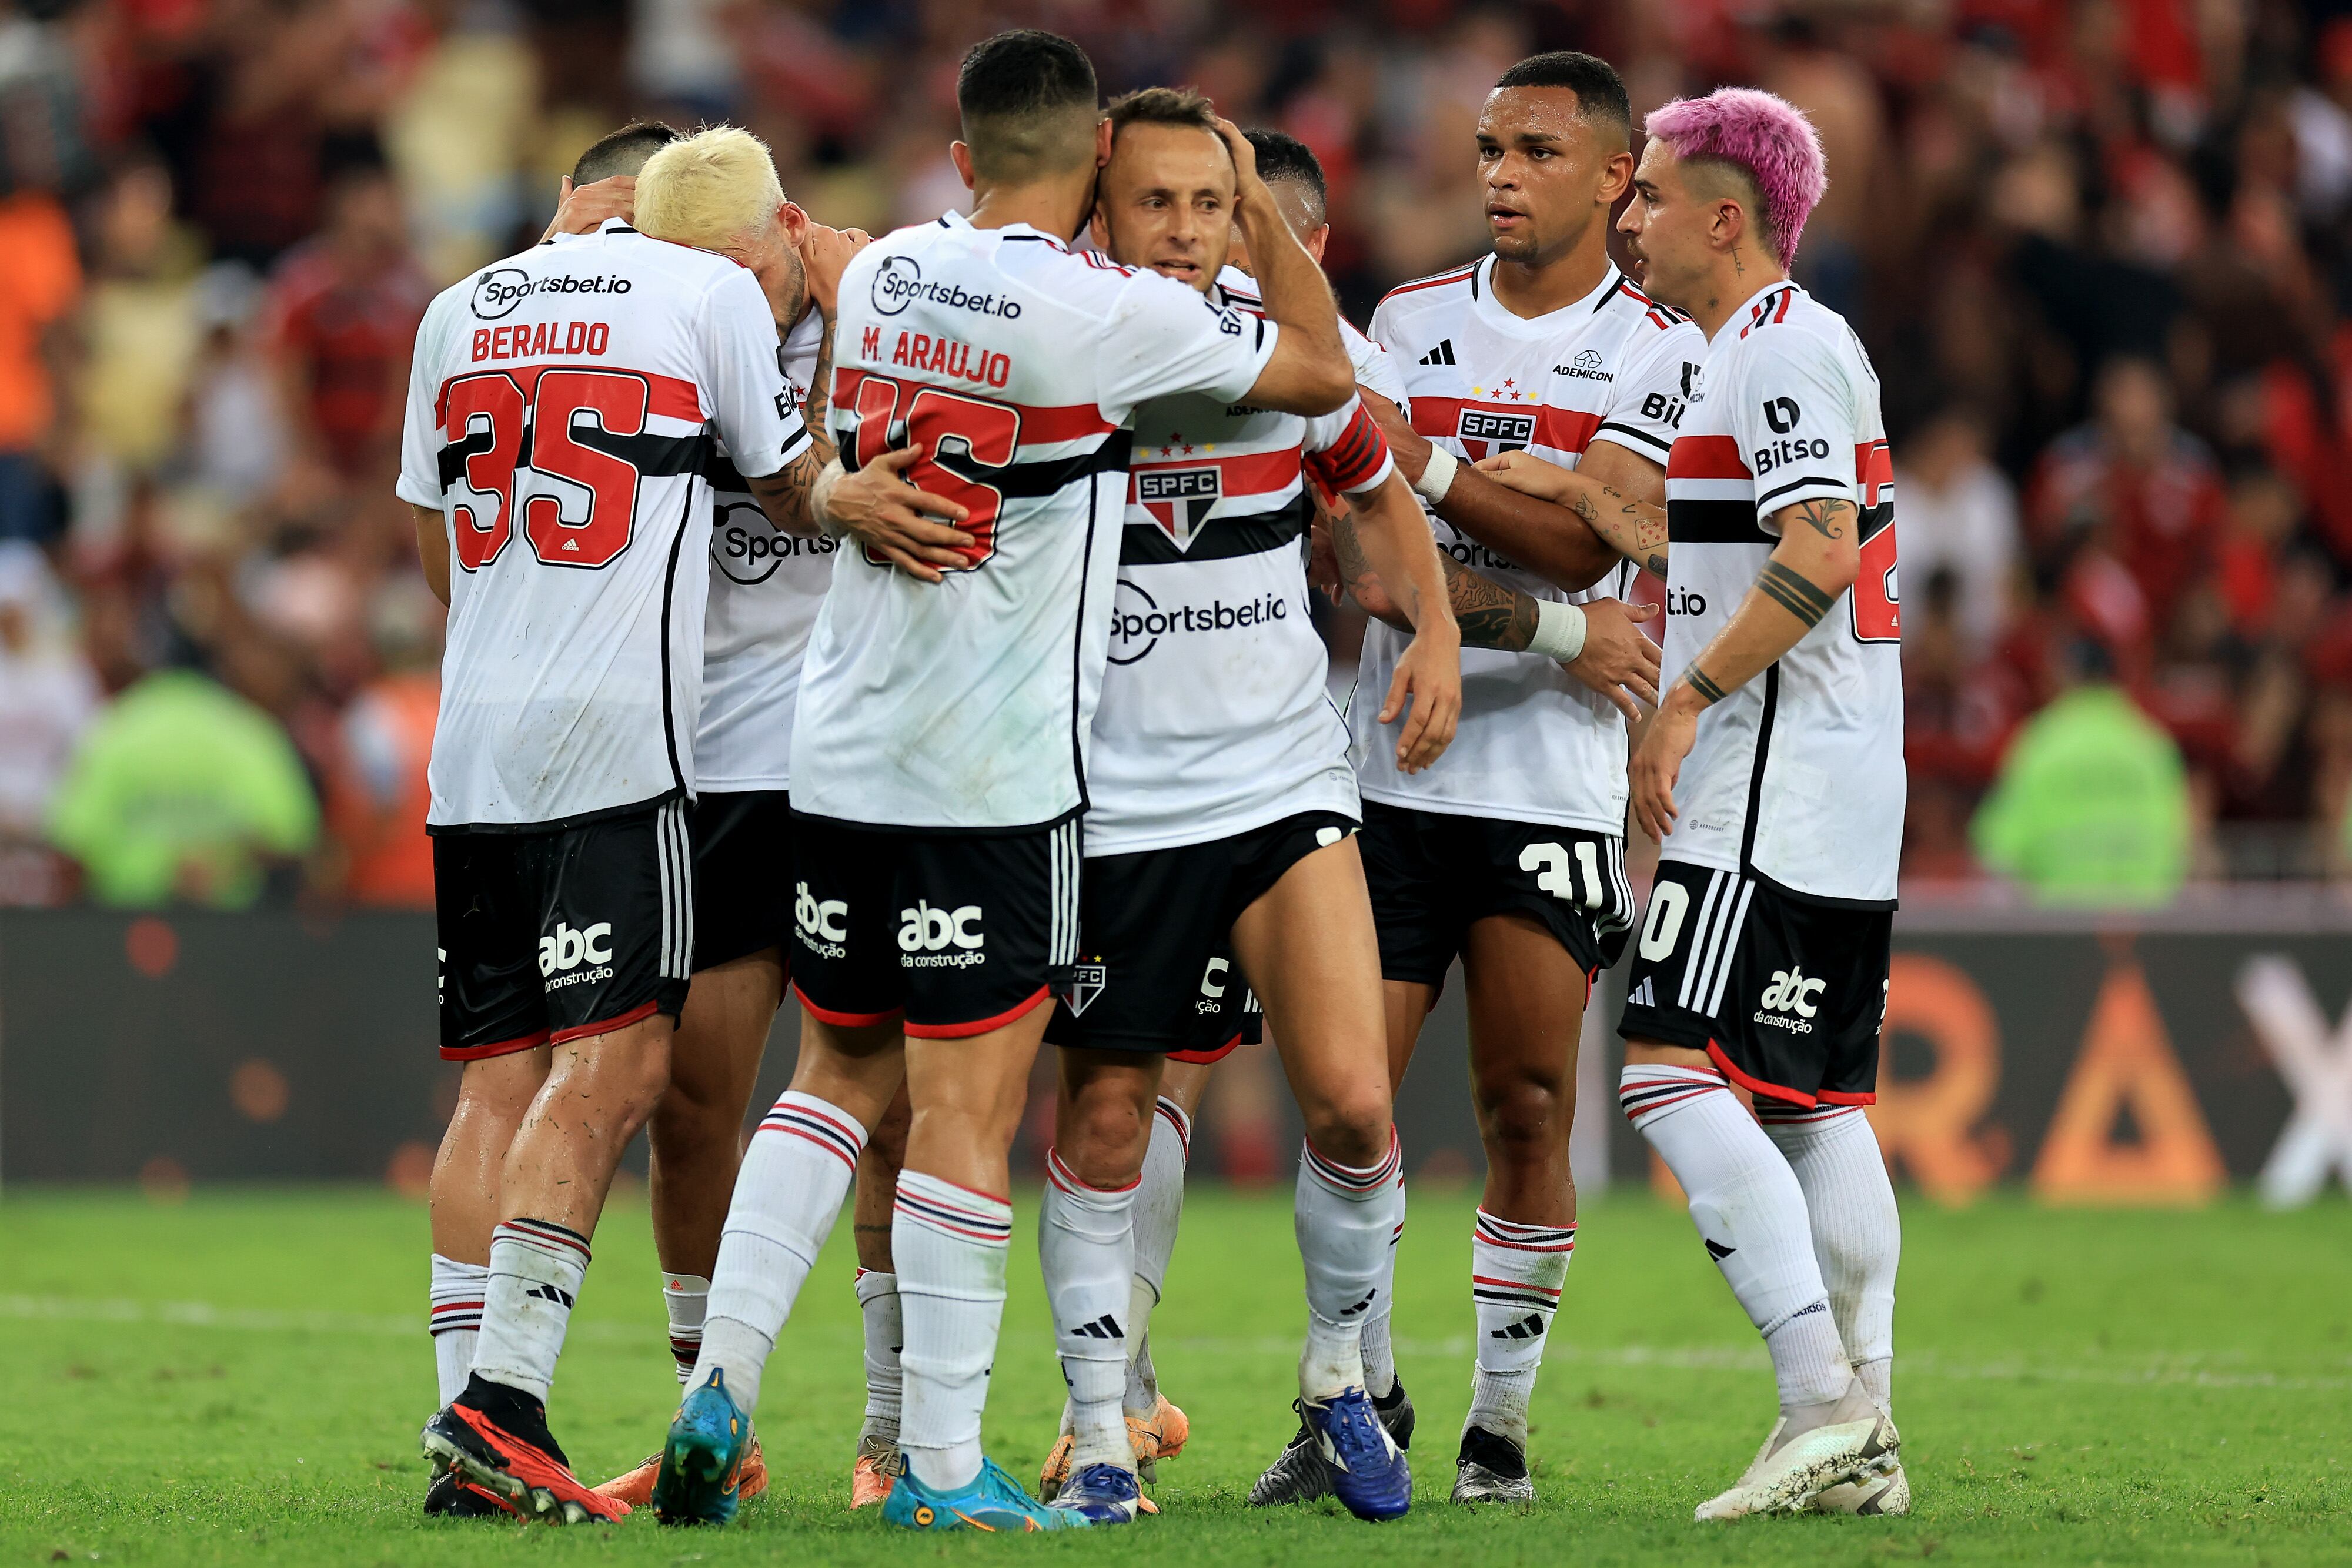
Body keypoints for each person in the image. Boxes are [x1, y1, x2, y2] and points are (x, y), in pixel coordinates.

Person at [646, 29, 1365, 1534]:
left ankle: (718, 1383)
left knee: (834, 1079)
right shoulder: (1104, 315)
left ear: (964, 157)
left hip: (838, 753)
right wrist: (1258, 206)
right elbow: (1312, 375)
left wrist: (839, 487)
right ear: (1102, 161)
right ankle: (944, 1469)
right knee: (965, 1112)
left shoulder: (898, 265)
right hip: (992, 773)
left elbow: (831, 399)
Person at [402, 121, 943, 1525]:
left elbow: (438, 550)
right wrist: (838, 485)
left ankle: (889, 1426)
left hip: (832, 745)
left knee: (873, 1085)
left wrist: (859, 274)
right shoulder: (697, 301)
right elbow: (789, 484)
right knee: (680, 1092)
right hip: (668, 759)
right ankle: (699, 1410)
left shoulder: (481, 310)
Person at [987, 88, 1461, 1525]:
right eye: (1158, 202)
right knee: (1110, 1119)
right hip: (1111, 794)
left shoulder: (1273, 336)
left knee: (1357, 1106)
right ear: (1099, 207)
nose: (1186, 231)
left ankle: (1332, 1388)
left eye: (1211, 202)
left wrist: (1433, 627)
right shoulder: (1053, 335)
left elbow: (1373, 485)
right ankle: (1099, 1433)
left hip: (1276, 776)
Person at [1257, 52, 1701, 1509]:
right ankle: (1352, 1393)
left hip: (1550, 791)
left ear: (1612, 180)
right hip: (1389, 776)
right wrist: (1539, 602)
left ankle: (1497, 1426)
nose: (1500, 172)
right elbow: (1359, 560)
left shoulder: (1656, 348)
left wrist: (1427, 475)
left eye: (1533, 151)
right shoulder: (1402, 319)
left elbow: (1598, 545)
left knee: (1522, 1102)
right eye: (1489, 146)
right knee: (1349, 1110)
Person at [1482, 85, 1909, 1519]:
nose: (1629, 213)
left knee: (1665, 1070)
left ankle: (1816, 1401)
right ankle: (1871, 1434)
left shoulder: (1780, 353)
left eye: (1651, 194)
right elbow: (1689, 520)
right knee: (1816, 1108)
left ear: (1724, 219)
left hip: (1769, 777)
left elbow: (1819, 548)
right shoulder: (1764, 354)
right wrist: (1504, 475)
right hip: (1845, 780)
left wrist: (1687, 694)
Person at [1970, 638, 2190, 905]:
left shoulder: (2040, 743)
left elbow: (1996, 848)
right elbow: (2184, 842)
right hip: (2144, 925)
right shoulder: (2151, 744)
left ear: (2065, 675)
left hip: (2059, 927)